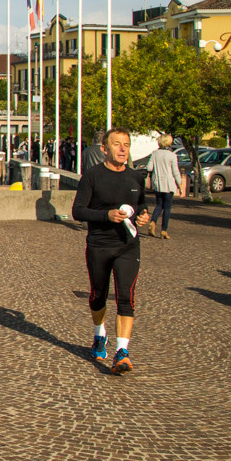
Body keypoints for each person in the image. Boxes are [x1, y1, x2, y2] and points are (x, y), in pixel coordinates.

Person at [71, 128, 152, 374]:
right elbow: (78, 211)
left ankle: (122, 352)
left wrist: (143, 216)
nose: (122, 148)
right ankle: (99, 334)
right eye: (117, 144)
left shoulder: (136, 177)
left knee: (126, 296)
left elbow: (141, 205)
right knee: (98, 295)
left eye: (126, 144)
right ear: (105, 149)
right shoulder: (92, 176)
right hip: (99, 245)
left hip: (128, 246)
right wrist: (106, 215)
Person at [146, 134, 183, 239]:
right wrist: (180, 185)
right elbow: (175, 172)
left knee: (159, 205)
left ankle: (153, 222)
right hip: (168, 184)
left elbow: (149, 168)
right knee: (167, 208)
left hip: (157, 183)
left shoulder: (155, 153)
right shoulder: (172, 155)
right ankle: (164, 230)